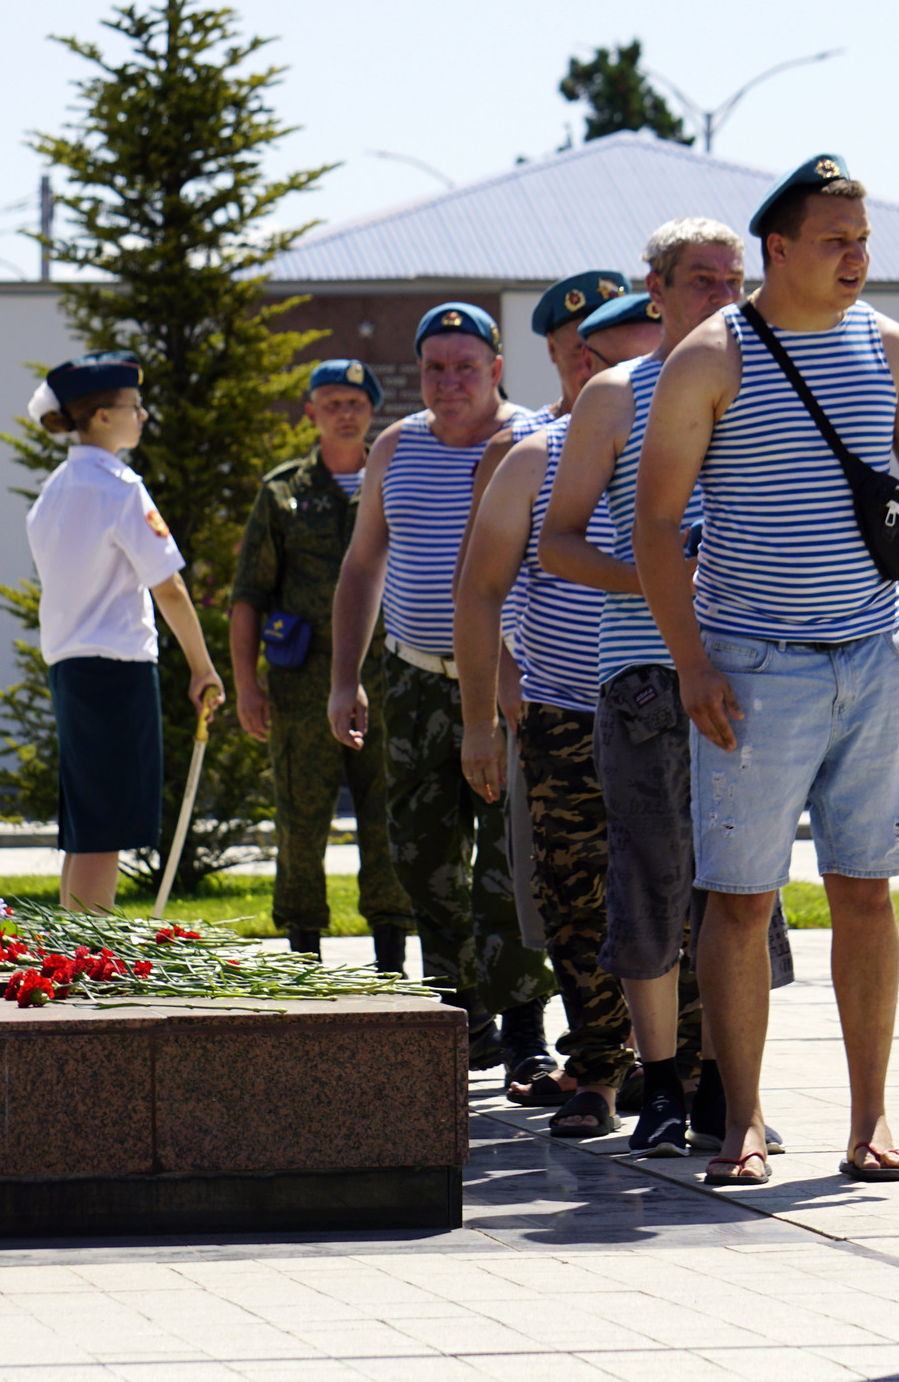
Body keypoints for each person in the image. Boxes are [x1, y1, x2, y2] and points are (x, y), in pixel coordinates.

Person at [633, 160, 899, 1189]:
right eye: (834, 239)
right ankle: (740, 1118)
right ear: (777, 250)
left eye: (862, 238)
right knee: (740, 901)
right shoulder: (711, 358)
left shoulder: (889, 346)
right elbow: (655, 524)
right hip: (750, 667)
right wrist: (690, 661)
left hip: (873, 661)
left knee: (864, 891)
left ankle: (869, 1118)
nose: (855, 256)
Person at [541, 227, 796, 1159]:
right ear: (657, 290)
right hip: (646, 676)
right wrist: (657, 581)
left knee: (746, 888)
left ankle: (739, 1094)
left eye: (736, 279)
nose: (724, 295)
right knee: (649, 880)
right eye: (702, 281)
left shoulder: (772, 378)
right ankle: (658, 1090)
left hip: (755, 668)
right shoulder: (616, 394)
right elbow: (558, 542)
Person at [328, 304, 557, 1070]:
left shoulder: (533, 443)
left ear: (497, 369)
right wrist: (344, 679)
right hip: (414, 681)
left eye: (466, 366)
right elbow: (363, 566)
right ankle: (464, 1010)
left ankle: (525, 1027)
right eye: (434, 367)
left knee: (507, 862)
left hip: (511, 684)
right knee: (422, 857)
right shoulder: (395, 448)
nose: (449, 381)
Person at [453, 310, 648, 1136]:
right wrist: (479, 722)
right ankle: (600, 1070)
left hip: (672, 707)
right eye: (589, 359)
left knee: (683, 898)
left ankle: (696, 1077)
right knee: (574, 898)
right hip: (564, 712)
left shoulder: (700, 443)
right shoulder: (534, 456)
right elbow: (478, 590)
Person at [230, 359, 414, 970]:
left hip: (389, 682)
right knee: (300, 824)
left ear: (371, 412)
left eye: (355, 402)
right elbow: (248, 596)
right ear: (310, 411)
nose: (343, 411)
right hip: (302, 688)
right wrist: (247, 685)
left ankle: (391, 961)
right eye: (330, 401)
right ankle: (303, 958)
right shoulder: (282, 493)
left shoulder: (396, 483)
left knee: (389, 819)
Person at [24, 354, 223, 912]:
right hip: (114, 669)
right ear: (103, 416)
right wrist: (202, 666)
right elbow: (169, 587)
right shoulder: (120, 489)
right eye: (134, 407)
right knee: (104, 825)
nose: (143, 416)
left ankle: (67, 953)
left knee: (87, 822)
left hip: (71, 665)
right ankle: (88, 962)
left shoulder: (55, 492)